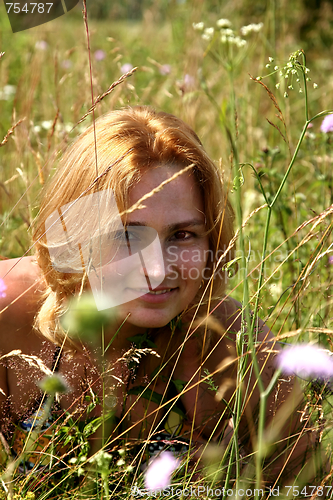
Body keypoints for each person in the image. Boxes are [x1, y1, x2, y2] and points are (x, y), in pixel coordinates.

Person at [0, 107, 315, 483]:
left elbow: (306, 486)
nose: (157, 270)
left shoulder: (240, 351)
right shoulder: (10, 309)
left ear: (212, 241)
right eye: (126, 235)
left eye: (182, 235)